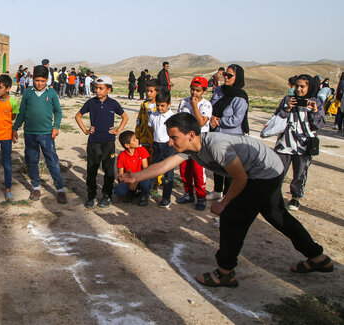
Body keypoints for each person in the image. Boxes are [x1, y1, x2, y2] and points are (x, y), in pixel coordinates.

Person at [119, 113, 334, 288]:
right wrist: (135, 177)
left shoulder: (216, 146)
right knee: (277, 216)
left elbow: (240, 179)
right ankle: (317, 258)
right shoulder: (190, 149)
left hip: (264, 173)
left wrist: (224, 202)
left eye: (174, 137)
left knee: (233, 219)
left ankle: (225, 273)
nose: (170, 142)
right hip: (262, 170)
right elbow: (165, 165)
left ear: (192, 134)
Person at [12, 65, 66, 203]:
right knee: (31, 160)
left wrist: (56, 127)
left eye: (42, 80)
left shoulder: (51, 93)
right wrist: (15, 128)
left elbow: (58, 112)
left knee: (52, 161)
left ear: (47, 80)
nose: (40, 83)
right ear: (32, 79)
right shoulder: (28, 93)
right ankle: (36, 187)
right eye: (37, 80)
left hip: (47, 134)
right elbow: (22, 112)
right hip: (30, 133)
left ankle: (60, 189)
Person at [75, 75, 128, 208]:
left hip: (108, 142)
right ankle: (91, 196)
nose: (97, 91)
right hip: (94, 142)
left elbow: (125, 117)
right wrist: (86, 131)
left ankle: (106, 195)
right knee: (92, 170)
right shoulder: (91, 102)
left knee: (109, 170)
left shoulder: (113, 104)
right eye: (96, 88)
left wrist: (117, 131)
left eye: (101, 88)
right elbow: (78, 115)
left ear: (108, 89)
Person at [274, 74, 325, 211]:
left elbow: (319, 125)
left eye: (302, 86)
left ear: (309, 87)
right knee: (277, 171)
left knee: (300, 173)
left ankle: (295, 197)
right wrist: (287, 108)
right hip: (285, 143)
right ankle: (274, 196)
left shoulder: (316, 102)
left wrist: (314, 111)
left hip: (304, 145)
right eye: (297, 86)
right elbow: (277, 117)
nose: (299, 89)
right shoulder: (287, 99)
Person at [207, 64, 248, 200]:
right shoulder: (219, 90)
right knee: (217, 163)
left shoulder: (240, 97)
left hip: (232, 136)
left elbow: (236, 119)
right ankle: (217, 190)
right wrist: (211, 117)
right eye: (225, 74)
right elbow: (211, 105)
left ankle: (227, 195)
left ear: (238, 78)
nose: (226, 78)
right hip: (216, 133)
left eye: (230, 76)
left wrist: (219, 121)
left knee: (230, 167)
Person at [176, 77, 212, 210]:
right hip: (185, 142)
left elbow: (201, 122)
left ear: (204, 91)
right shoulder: (183, 101)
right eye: (192, 89)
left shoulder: (206, 105)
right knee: (185, 169)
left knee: (198, 170)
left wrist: (194, 106)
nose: (194, 93)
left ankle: (201, 196)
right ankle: (188, 193)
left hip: (198, 143)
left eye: (198, 90)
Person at [134, 79, 163, 194]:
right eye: (147, 91)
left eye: (151, 91)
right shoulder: (144, 104)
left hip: (155, 140)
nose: (148, 94)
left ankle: (155, 186)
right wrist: (137, 135)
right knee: (143, 164)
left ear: (157, 92)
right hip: (143, 140)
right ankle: (143, 185)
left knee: (155, 164)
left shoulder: (160, 106)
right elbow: (139, 120)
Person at [148, 91, 175, 208]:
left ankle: (166, 198)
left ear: (169, 104)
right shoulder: (153, 114)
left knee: (168, 174)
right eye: (158, 105)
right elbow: (151, 128)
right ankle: (147, 192)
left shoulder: (172, 117)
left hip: (168, 146)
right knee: (153, 169)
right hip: (156, 145)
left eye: (162, 105)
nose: (160, 108)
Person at [113, 130, 153, 206]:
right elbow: (120, 175)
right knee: (119, 191)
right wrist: (126, 183)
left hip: (141, 177)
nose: (137, 140)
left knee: (147, 183)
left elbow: (146, 169)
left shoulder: (142, 150)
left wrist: (136, 180)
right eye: (134, 139)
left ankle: (144, 195)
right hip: (129, 179)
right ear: (127, 145)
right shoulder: (122, 156)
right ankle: (131, 192)